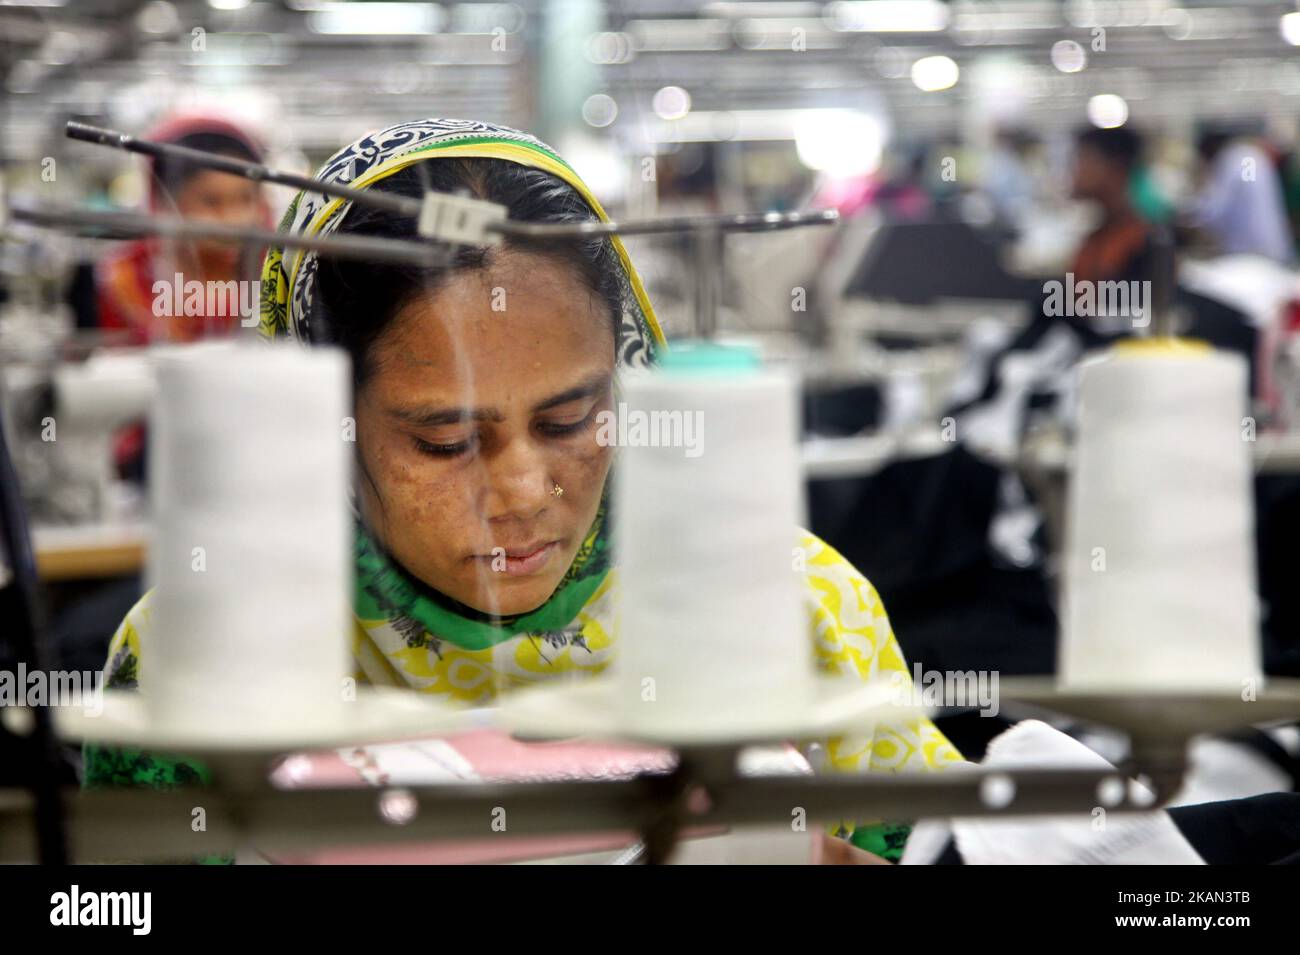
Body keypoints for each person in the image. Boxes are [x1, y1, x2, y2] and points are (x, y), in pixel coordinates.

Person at [85, 118, 963, 863]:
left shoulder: (797, 610)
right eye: (448, 439)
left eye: (572, 419)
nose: (523, 490)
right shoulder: (200, 657)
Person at [95, 114, 271, 345]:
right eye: (211, 202)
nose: (232, 218)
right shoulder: (128, 278)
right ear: (166, 203)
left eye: (245, 199)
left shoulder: (274, 268)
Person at [1194, 129, 1295, 264]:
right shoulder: (1251, 156)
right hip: (1273, 246)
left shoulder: (1232, 159)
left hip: (1250, 252)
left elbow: (1213, 211)